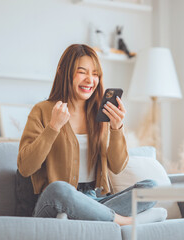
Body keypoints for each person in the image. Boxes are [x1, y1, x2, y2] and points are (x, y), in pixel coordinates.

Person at [17, 44, 166, 225]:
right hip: (54, 201)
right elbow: (25, 167)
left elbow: (118, 167)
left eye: (95, 74)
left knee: (151, 188)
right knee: (60, 189)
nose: (90, 80)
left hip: (93, 199)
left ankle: (87, 217)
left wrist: (116, 128)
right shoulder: (43, 110)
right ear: (63, 72)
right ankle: (123, 221)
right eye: (82, 72)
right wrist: (53, 127)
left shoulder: (100, 115)